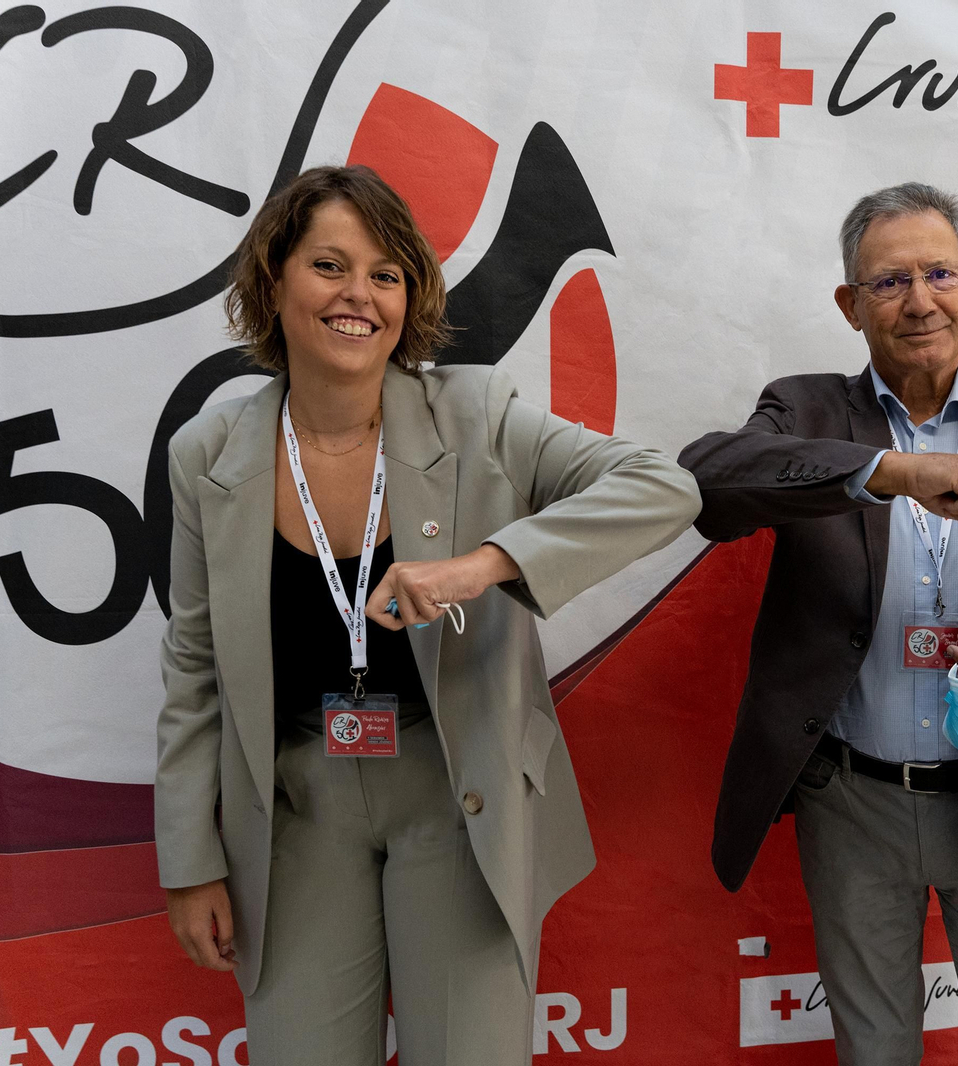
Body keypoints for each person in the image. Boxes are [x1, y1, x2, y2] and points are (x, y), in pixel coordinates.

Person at [154, 164, 700, 1065]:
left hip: (459, 795)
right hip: (297, 807)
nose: (358, 295)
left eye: (386, 273)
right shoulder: (207, 454)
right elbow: (194, 669)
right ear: (273, 278)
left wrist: (486, 564)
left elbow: (663, 488)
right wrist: (190, 860)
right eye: (329, 265)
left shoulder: (476, 412)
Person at [679, 183, 958, 1065]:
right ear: (850, 306)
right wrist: (891, 470)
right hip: (852, 801)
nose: (920, 300)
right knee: (875, 1050)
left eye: (939, 274)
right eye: (890, 282)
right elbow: (711, 482)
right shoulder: (807, 410)